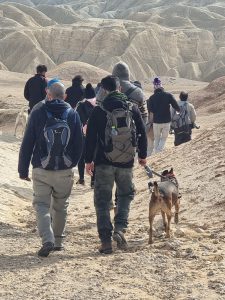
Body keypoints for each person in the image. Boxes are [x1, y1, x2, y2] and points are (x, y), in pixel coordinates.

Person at [18, 79, 83, 257]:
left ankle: (47, 239)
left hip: (41, 169)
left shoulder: (38, 112)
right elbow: (79, 144)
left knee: (41, 205)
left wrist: (23, 170)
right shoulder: (73, 114)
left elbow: (27, 143)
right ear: (65, 96)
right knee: (61, 207)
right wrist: (72, 163)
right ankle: (59, 243)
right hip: (64, 170)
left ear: (48, 94)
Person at [85, 75, 147, 254]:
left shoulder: (99, 110)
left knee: (103, 201)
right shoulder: (132, 107)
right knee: (126, 195)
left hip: (104, 162)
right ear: (120, 88)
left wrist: (88, 161)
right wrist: (142, 155)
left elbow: (90, 138)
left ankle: (105, 241)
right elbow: (141, 131)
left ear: (103, 90)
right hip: (126, 162)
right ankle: (120, 229)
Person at [147, 77, 180, 153]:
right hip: (166, 121)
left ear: (154, 87)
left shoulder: (151, 98)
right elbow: (176, 106)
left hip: (156, 122)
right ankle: (158, 152)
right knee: (164, 139)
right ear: (161, 86)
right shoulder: (168, 95)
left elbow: (151, 112)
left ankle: (156, 153)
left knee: (157, 138)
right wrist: (178, 111)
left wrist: (150, 123)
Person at [76, 83, 96, 187]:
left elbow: (76, 120)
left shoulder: (80, 105)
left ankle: (81, 179)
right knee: (93, 158)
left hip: (83, 135)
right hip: (94, 136)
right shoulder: (98, 106)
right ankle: (93, 181)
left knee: (81, 157)